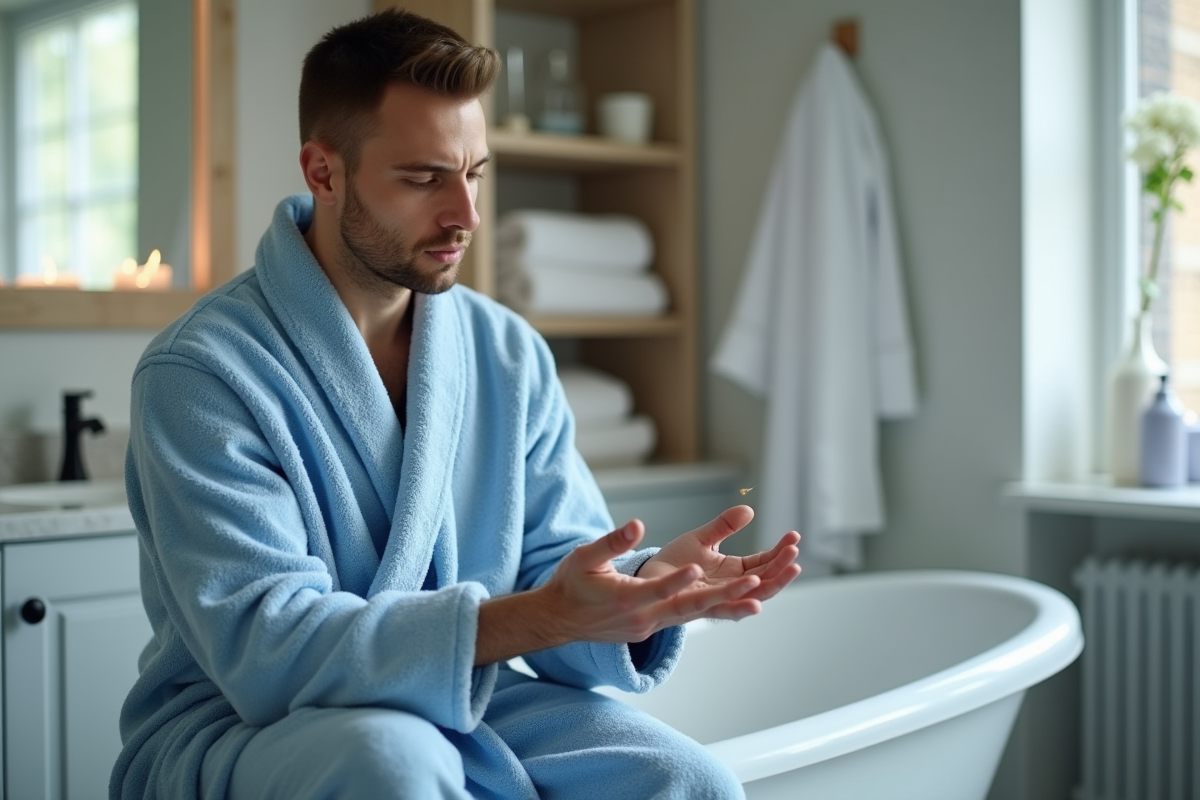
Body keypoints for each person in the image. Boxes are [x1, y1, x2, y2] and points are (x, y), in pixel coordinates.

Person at [110, 9, 801, 800]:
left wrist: (640, 589)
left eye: (472, 173)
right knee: (394, 765)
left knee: (689, 778)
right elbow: (269, 649)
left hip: (468, 697)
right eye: (423, 178)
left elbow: (553, 567)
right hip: (248, 723)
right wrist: (538, 618)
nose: (467, 216)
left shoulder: (504, 350)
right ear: (323, 171)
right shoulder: (201, 373)